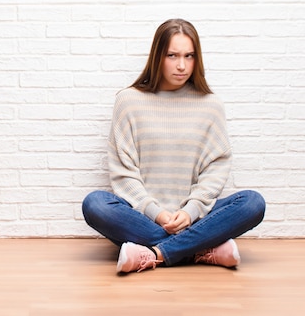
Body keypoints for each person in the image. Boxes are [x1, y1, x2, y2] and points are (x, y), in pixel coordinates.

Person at [82, 19, 266, 274]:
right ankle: (201, 249)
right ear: (158, 56)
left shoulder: (211, 105)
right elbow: (124, 174)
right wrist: (157, 213)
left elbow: (215, 169)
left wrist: (190, 212)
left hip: (195, 217)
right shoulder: (128, 101)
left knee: (252, 203)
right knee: (96, 204)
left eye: (189, 56)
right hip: (144, 218)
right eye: (172, 55)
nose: (182, 65)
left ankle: (155, 253)